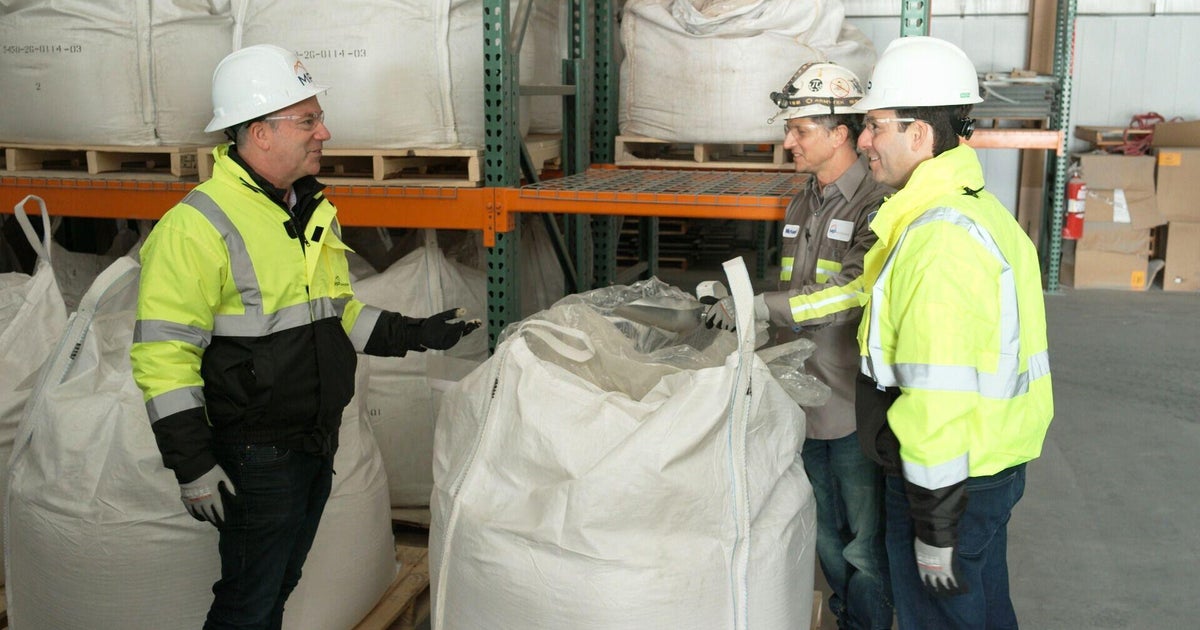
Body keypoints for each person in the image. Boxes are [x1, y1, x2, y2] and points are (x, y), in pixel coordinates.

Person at [130, 44, 480, 630]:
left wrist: (415, 333)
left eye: (319, 117)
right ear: (259, 133)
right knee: (248, 602)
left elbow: (334, 315)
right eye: (308, 120)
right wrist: (191, 464)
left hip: (313, 440)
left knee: (276, 586)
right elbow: (163, 355)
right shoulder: (197, 225)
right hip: (257, 451)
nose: (324, 132)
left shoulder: (306, 209)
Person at [749, 37, 1053, 628]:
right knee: (985, 610)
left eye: (874, 126)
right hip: (987, 461)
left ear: (918, 134)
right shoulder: (974, 210)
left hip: (948, 478)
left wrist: (935, 519)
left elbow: (939, 389)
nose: (864, 140)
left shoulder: (938, 238)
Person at [704, 61, 895, 629]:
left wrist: (760, 306)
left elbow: (850, 295)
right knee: (826, 535)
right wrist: (749, 322)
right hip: (802, 399)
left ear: (840, 134)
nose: (788, 142)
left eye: (800, 130)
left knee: (865, 543)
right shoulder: (802, 201)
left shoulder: (877, 204)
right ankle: (847, 616)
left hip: (853, 405)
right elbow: (797, 292)